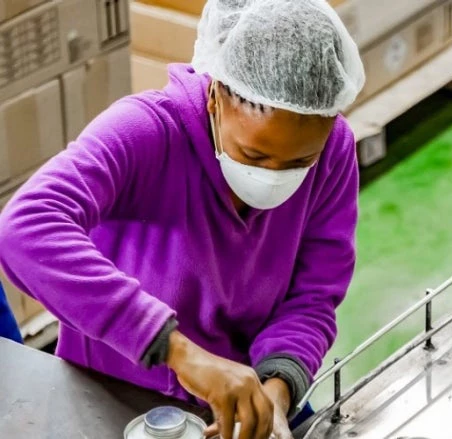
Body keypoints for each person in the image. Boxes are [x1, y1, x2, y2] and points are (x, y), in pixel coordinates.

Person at [0, 0, 364, 438]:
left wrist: (276, 391)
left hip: (245, 397)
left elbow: (313, 296)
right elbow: (24, 228)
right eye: (253, 154)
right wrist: (177, 352)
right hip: (116, 396)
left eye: (299, 161)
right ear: (215, 97)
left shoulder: (335, 151)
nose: (273, 177)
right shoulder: (146, 133)